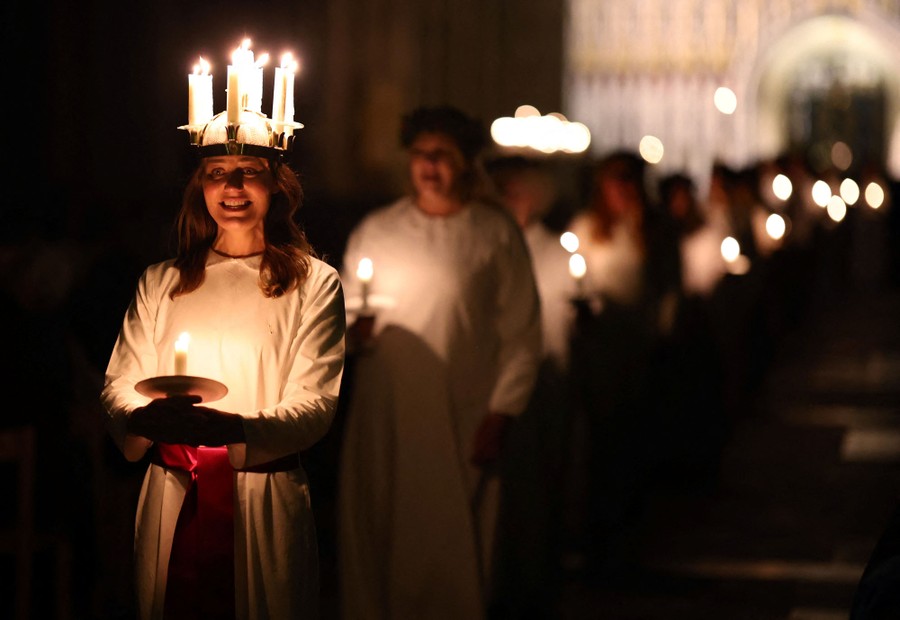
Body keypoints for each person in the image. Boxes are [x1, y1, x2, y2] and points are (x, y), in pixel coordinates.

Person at [100, 104, 346, 620]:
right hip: (173, 495)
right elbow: (119, 384)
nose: (232, 187)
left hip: (261, 501)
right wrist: (145, 418)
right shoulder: (161, 282)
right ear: (200, 186)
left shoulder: (314, 284)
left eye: (248, 173)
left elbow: (315, 402)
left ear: (276, 184)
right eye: (216, 174)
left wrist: (231, 426)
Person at [336, 106, 542, 620]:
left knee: (449, 538)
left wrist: (502, 412)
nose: (429, 166)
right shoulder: (377, 231)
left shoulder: (493, 233)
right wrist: (353, 334)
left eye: (442, 155)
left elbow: (522, 332)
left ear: (467, 163)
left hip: (461, 409)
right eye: (421, 154)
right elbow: (338, 320)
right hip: (386, 415)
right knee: (382, 530)